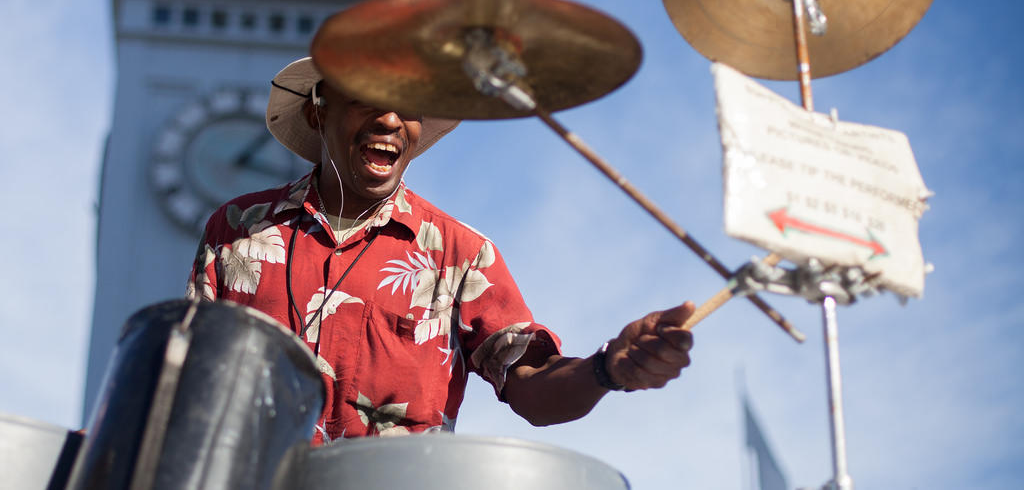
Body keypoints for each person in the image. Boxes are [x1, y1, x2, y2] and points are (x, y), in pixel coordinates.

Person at [188, 56, 695, 443]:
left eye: (408, 105)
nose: (391, 120)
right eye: (366, 98)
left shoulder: (461, 255)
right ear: (317, 113)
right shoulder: (238, 229)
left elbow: (532, 383)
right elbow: (185, 384)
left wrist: (608, 368)